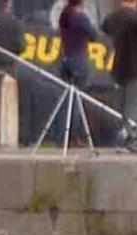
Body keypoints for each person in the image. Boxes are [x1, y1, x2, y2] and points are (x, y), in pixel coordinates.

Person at [99, 0, 137, 147]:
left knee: (122, 106)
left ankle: (121, 136)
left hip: (119, 67)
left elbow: (105, 27)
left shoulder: (114, 17)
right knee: (135, 105)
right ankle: (130, 138)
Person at [53, 0, 98, 144]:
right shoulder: (80, 17)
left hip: (65, 58)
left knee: (65, 100)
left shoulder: (64, 16)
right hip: (79, 60)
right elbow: (94, 35)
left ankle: (61, 137)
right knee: (77, 101)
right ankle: (73, 136)